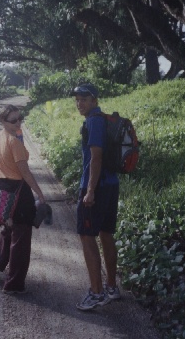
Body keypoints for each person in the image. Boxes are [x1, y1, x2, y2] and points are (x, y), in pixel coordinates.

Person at [71, 83, 121, 311]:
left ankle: (96, 293)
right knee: (106, 234)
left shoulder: (94, 121)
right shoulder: (103, 119)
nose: (79, 103)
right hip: (111, 184)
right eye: (77, 99)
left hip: (97, 187)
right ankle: (111, 287)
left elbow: (96, 157)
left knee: (86, 235)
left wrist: (90, 190)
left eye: (84, 99)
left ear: (94, 100)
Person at [0, 105, 46, 294]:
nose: (18, 123)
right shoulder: (14, 142)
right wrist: (39, 193)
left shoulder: (1, 136)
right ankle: (13, 284)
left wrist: (18, 133)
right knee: (20, 240)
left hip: (4, 187)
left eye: (20, 118)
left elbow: (0, 163)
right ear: (3, 122)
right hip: (19, 192)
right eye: (13, 121)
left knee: (7, 229)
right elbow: (25, 172)